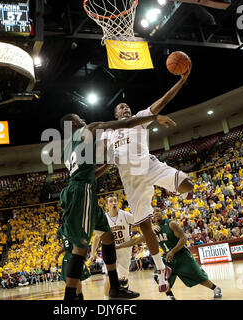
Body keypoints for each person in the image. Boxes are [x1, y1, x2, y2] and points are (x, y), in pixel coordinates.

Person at [59, 112, 173, 300]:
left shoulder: (67, 149)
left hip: (81, 189)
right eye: (79, 118)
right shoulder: (88, 129)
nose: (83, 119)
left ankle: (115, 287)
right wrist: (152, 117)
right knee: (80, 247)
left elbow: (88, 173)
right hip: (82, 193)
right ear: (73, 124)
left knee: (107, 235)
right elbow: (126, 123)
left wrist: (107, 165)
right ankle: (69, 299)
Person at [104, 67, 193, 292]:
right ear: (115, 114)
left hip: (149, 166)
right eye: (120, 107)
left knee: (188, 185)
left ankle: (172, 192)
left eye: (127, 106)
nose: (125, 108)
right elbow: (99, 153)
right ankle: (161, 268)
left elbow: (162, 100)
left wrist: (182, 81)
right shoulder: (109, 133)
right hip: (130, 182)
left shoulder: (140, 118)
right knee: (144, 227)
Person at [117, 207, 222, 300]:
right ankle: (170, 296)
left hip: (182, 255)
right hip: (168, 258)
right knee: (159, 276)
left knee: (198, 276)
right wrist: (117, 247)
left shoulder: (171, 224)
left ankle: (216, 288)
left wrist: (173, 251)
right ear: (151, 217)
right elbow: (135, 241)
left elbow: (183, 238)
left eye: (158, 211)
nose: (156, 213)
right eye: (153, 213)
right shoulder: (152, 231)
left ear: (162, 213)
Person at [90, 194, 135, 300]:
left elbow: (139, 222)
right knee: (108, 278)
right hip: (110, 250)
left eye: (115, 201)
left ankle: (124, 286)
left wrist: (151, 226)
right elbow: (97, 237)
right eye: (111, 201)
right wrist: (92, 253)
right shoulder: (104, 218)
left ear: (118, 203)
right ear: (107, 205)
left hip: (124, 251)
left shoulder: (125, 215)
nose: (113, 203)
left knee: (123, 280)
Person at [55, 229, 91, 300]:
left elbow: (67, 246)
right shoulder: (71, 228)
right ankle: (78, 296)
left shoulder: (64, 229)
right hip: (75, 253)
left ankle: (78, 296)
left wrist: (58, 253)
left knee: (72, 279)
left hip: (71, 255)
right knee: (74, 279)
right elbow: (67, 245)